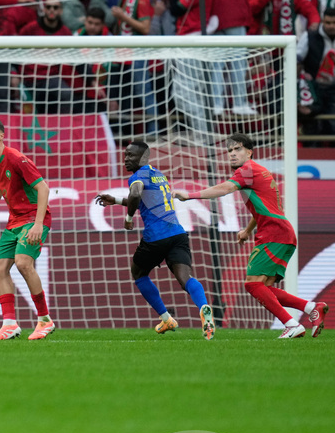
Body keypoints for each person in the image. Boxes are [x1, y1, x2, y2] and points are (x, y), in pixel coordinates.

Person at [174, 133, 328, 338]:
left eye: (237, 149)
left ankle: (291, 324)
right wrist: (247, 230)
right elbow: (263, 207)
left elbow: (225, 188)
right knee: (263, 287)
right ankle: (311, 308)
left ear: (249, 152)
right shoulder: (260, 171)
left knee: (252, 284)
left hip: (274, 233)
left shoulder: (247, 170)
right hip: (281, 232)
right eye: (229, 150)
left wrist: (190, 195)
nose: (232, 154)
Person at [95, 141, 216, 339]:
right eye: (125, 155)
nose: (126, 159)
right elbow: (143, 200)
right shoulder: (159, 175)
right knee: (186, 278)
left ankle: (167, 318)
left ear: (143, 158)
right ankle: (203, 307)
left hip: (156, 237)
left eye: (131, 155)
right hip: (177, 234)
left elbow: (135, 194)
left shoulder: (138, 175)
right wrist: (116, 200)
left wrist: (128, 218)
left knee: (138, 272)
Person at [0, 118, 55, 341]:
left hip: (33, 217)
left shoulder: (16, 158)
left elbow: (43, 188)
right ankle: (9, 324)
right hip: (15, 220)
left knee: (23, 262)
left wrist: (39, 224)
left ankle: (44, 319)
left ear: (1, 136)